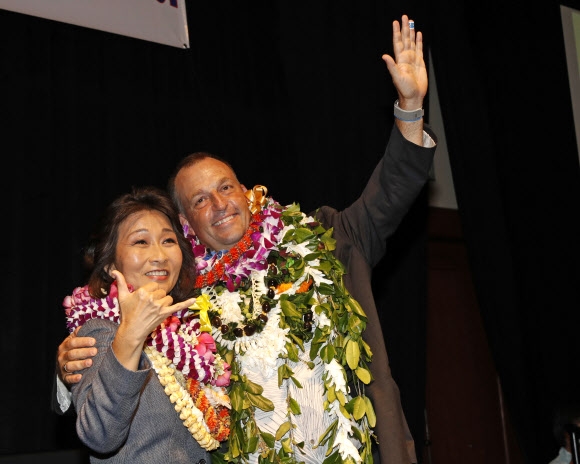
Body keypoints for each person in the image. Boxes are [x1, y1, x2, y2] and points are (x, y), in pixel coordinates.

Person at [54, 14, 436, 463]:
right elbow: (117, 360)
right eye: (200, 201)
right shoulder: (181, 302)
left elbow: (392, 190)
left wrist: (409, 108)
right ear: (185, 223)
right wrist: (66, 371)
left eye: (226, 187)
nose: (219, 204)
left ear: (247, 192)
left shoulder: (327, 238)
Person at [61, 186, 231, 463]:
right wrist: (130, 336)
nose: (159, 255)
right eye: (141, 242)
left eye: (168, 241)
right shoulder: (101, 331)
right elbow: (99, 435)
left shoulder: (189, 334)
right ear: (108, 265)